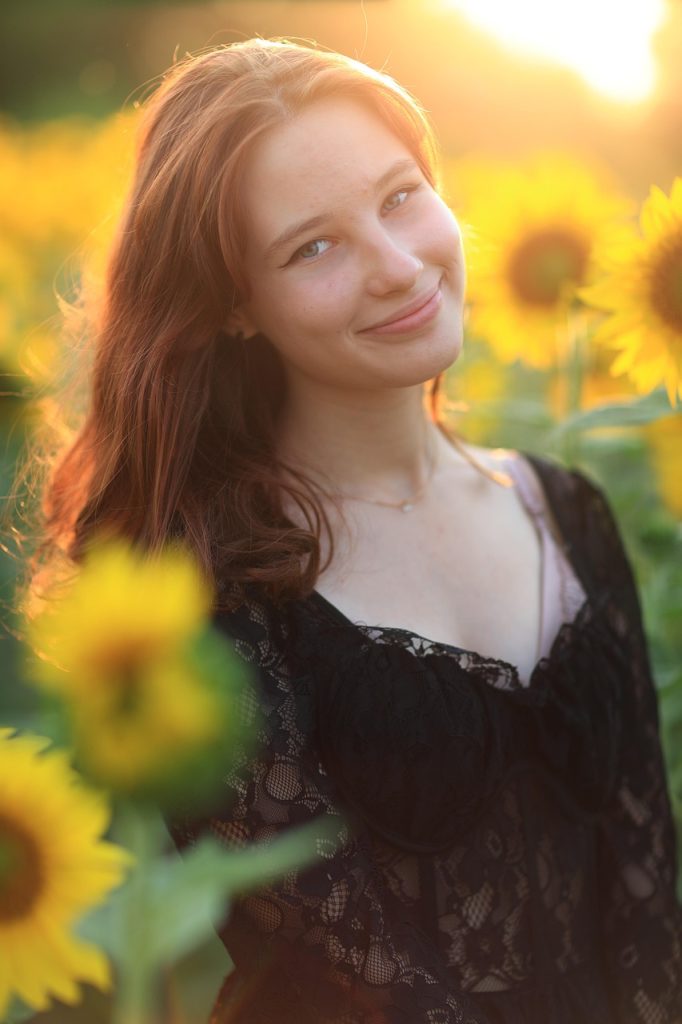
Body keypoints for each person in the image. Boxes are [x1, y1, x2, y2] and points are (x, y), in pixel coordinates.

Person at [26, 38, 681, 1023]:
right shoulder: (207, 588)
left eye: (400, 195)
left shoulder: (569, 510)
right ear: (234, 306)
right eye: (313, 246)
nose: (396, 264)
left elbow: (650, 920)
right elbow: (363, 981)